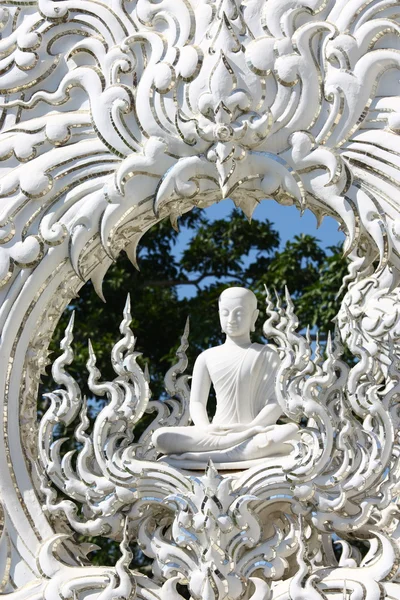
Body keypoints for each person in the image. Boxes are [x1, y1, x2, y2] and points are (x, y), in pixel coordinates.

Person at [152, 287, 298, 468]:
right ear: (219, 315)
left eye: (239, 314)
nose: (231, 320)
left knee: (291, 432)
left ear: (253, 317)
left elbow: (276, 402)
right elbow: (197, 403)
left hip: (254, 431)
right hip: (215, 433)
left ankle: (211, 455)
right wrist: (205, 428)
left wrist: (250, 428)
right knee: (160, 437)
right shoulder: (207, 356)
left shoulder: (266, 353)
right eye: (225, 313)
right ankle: (233, 449)